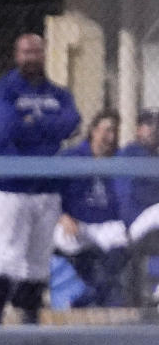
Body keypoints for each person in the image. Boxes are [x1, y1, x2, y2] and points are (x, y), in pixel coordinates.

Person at [0, 33, 81, 324]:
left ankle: (30, 321)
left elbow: (72, 123)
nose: (31, 57)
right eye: (26, 52)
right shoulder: (4, 90)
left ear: (44, 54)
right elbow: (7, 128)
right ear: (17, 55)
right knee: (8, 256)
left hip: (47, 187)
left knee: (39, 260)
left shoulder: (59, 93)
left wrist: (32, 123)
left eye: (36, 52)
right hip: (12, 187)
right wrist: (49, 129)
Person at [53, 109, 128, 307]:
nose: (110, 137)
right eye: (106, 130)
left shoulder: (119, 159)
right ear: (93, 131)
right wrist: (62, 216)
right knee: (64, 238)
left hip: (106, 224)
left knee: (121, 241)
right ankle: (91, 290)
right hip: (77, 223)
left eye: (115, 132)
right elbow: (50, 193)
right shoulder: (72, 157)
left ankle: (94, 294)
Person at [115, 108, 159, 304]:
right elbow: (129, 198)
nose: (155, 129)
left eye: (157, 125)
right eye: (150, 125)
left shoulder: (154, 157)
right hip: (134, 222)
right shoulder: (129, 153)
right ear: (138, 129)